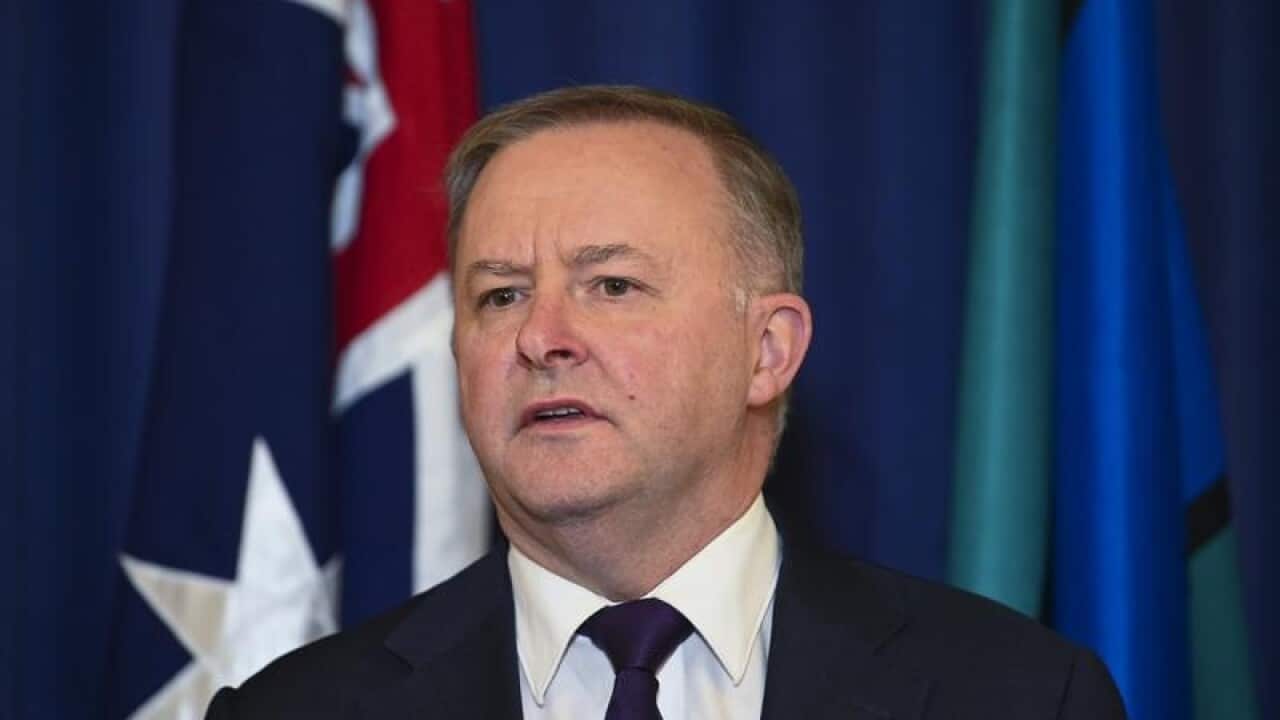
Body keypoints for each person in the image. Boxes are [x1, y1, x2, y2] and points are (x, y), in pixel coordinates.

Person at [206, 85, 1126, 719]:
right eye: (500, 294)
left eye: (611, 286)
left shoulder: (1016, 697)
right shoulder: (295, 711)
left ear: (766, 352)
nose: (541, 336)